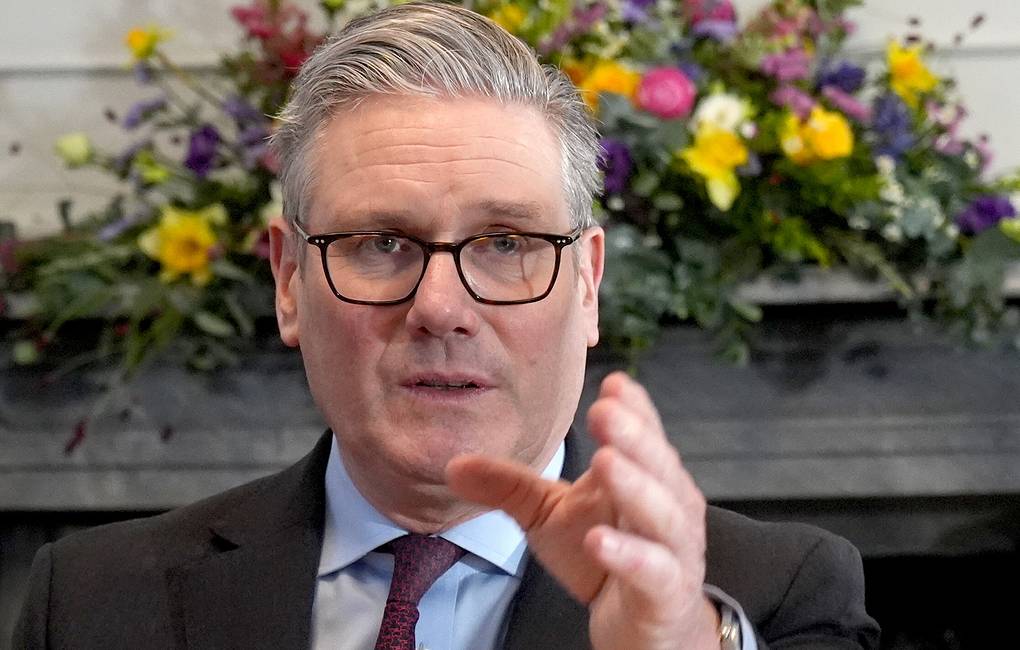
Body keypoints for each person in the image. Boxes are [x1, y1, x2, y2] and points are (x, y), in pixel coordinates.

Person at [14, 3, 879, 648]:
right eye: (381, 242)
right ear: (288, 281)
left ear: (586, 285)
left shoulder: (777, 596)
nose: (440, 307)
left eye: (506, 243)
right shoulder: (91, 600)